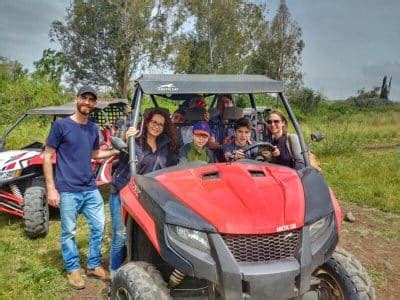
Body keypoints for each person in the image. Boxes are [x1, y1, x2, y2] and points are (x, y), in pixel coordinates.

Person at [43, 85, 119, 289]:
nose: (87, 102)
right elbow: (48, 155)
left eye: (91, 99)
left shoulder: (93, 128)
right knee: (69, 232)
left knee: (99, 226)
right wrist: (51, 188)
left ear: (94, 103)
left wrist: (114, 152)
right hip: (68, 189)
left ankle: (93, 265)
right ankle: (73, 269)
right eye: (84, 98)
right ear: (76, 99)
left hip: (90, 187)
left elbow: (94, 155)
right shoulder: (61, 126)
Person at [109, 108, 179, 278]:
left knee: (145, 235)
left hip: (148, 195)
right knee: (121, 235)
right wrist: (127, 140)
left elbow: (173, 167)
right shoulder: (136, 140)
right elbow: (124, 158)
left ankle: (142, 267)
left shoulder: (166, 145)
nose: (156, 126)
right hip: (123, 192)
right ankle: (114, 274)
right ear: (147, 122)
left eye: (161, 124)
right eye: (154, 122)